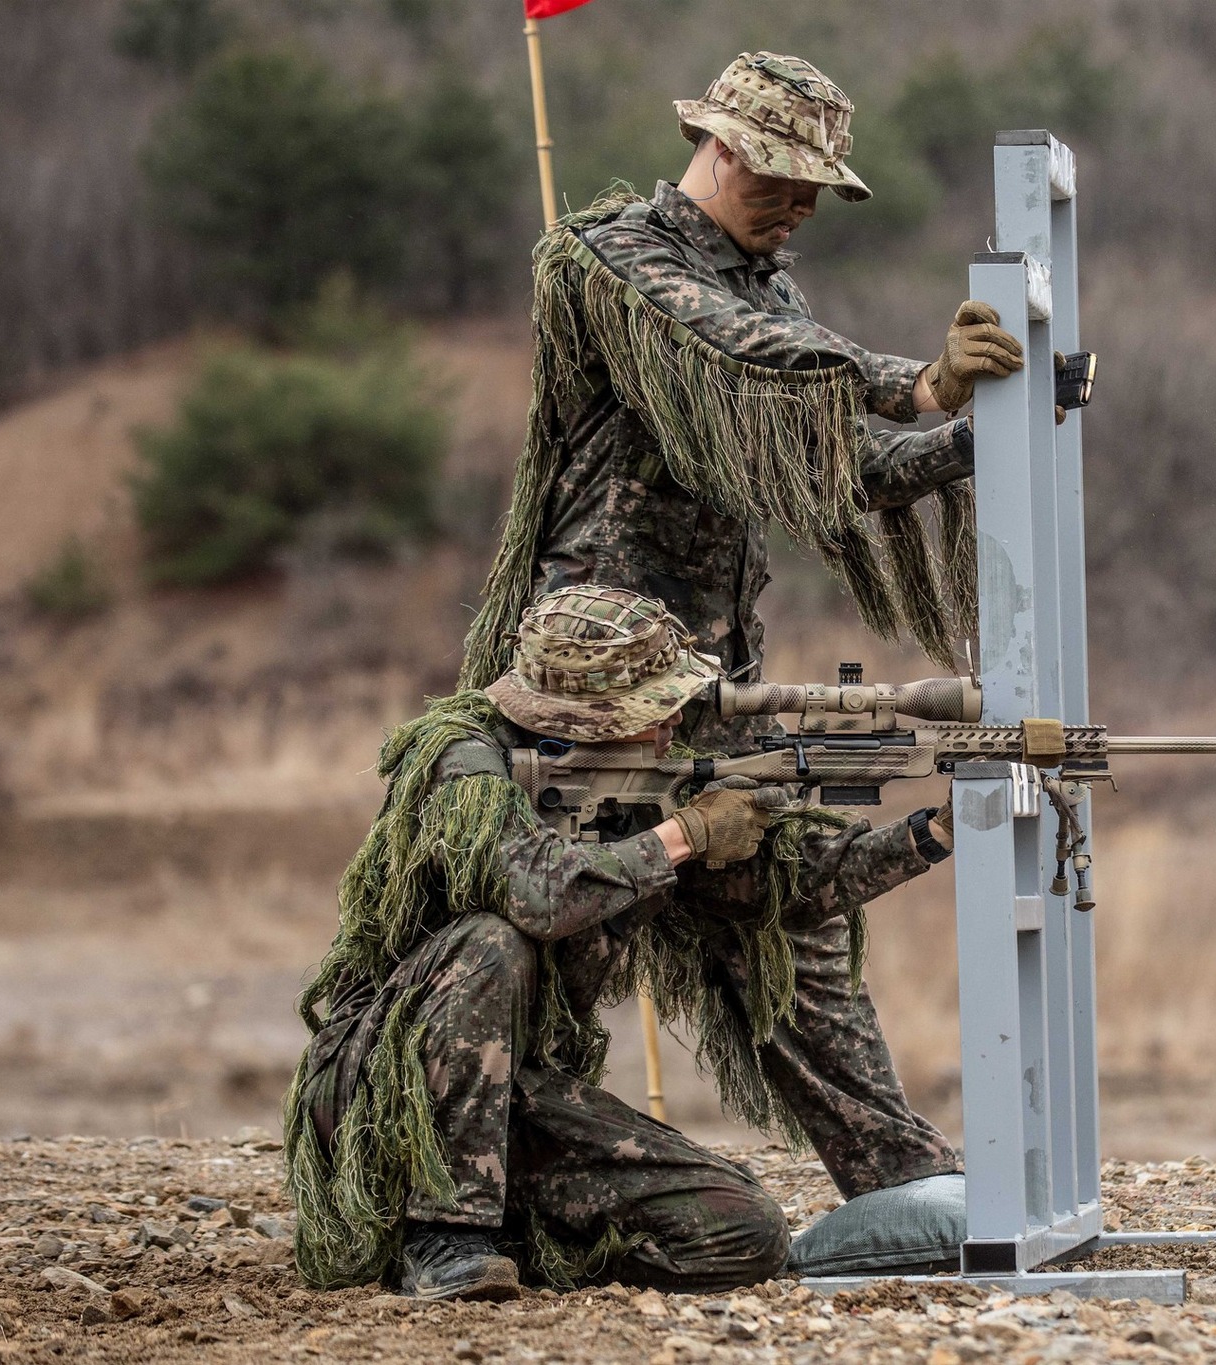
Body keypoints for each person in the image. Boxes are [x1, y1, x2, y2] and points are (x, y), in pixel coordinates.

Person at [450, 51, 1009, 1254]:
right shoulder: (613, 262)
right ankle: (467, 1193)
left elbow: (837, 468)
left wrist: (995, 429)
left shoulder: (770, 290)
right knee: (554, 933)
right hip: (586, 682)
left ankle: (902, 1180)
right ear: (718, 148)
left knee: (780, 911)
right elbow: (741, 362)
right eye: (783, 179)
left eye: (818, 189)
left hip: (705, 675)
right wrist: (911, 384)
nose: (801, 206)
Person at [284, 586, 957, 1298]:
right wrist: (680, 837)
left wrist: (933, 833)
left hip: (521, 1103)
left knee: (743, 1232)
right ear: (590, 721)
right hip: (385, 1089)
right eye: (652, 712)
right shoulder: (464, 759)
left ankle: (521, 1242)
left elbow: (785, 891)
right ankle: (441, 1235)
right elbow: (536, 893)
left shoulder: (635, 794)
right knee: (491, 942)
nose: (672, 727)